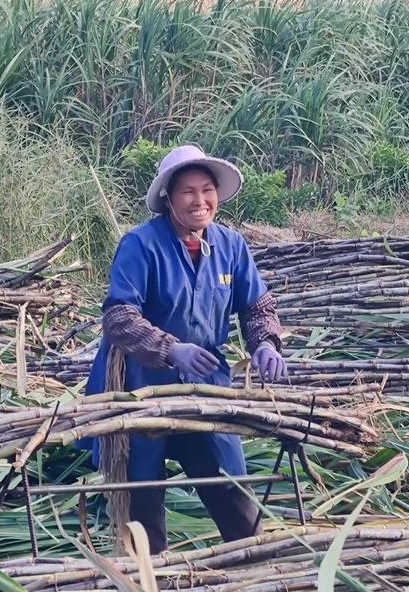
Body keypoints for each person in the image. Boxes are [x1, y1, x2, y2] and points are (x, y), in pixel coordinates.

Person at [80, 144, 287, 553]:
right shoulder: (141, 244)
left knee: (230, 486)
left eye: (206, 189)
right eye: (188, 191)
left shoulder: (231, 245)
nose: (199, 200)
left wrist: (265, 342)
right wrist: (170, 350)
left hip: (206, 383)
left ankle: (253, 570)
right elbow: (119, 316)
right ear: (168, 199)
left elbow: (256, 306)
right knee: (143, 493)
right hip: (140, 385)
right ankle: (149, 577)